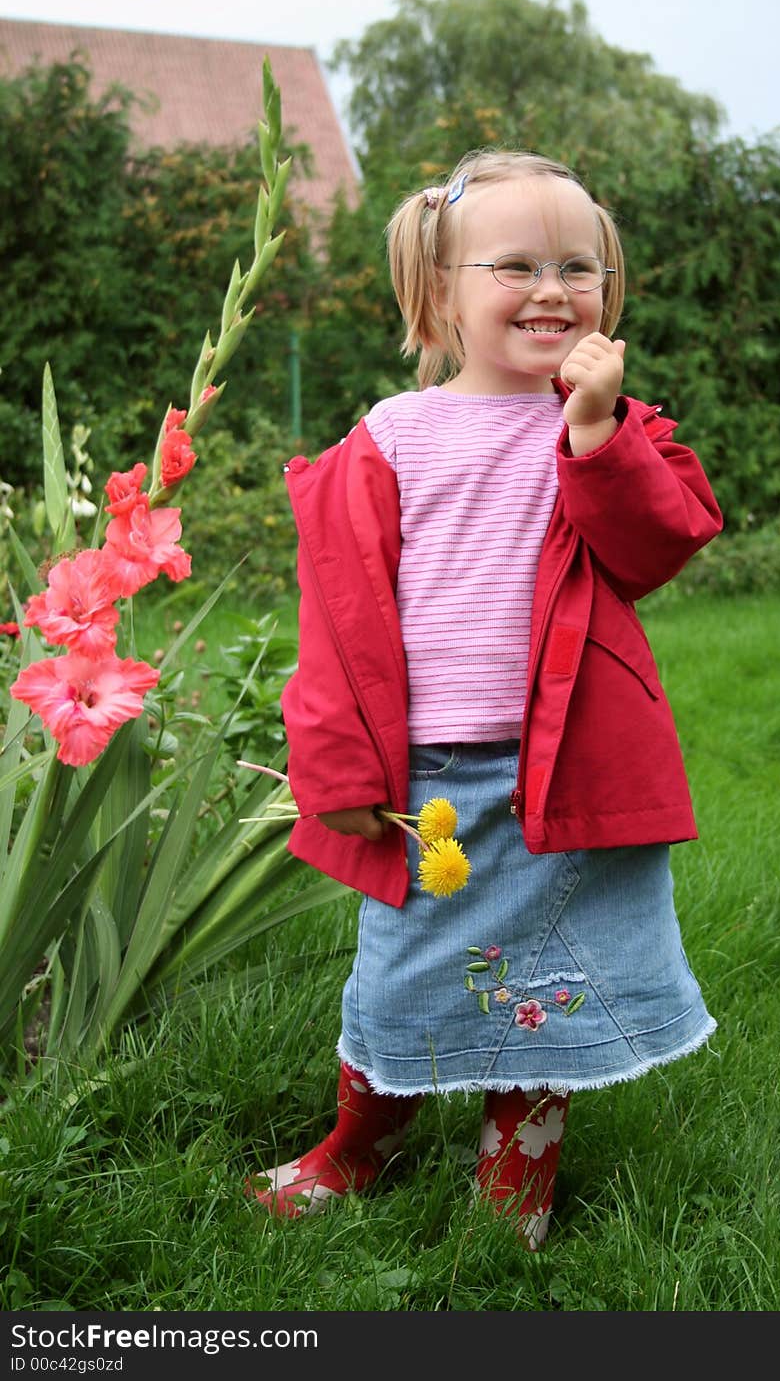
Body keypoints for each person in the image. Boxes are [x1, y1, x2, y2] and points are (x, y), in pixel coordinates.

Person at [248, 147, 723, 1250]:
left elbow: (657, 543)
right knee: (398, 976)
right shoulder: (393, 437)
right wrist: (340, 773)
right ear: (440, 291)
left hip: (566, 776)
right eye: (515, 265)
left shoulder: (605, 425)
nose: (553, 290)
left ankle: (517, 1177)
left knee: (551, 990)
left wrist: (597, 435)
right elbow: (335, 620)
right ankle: (356, 1145)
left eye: (580, 267)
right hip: (435, 791)